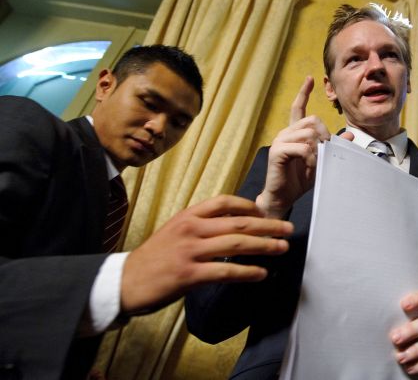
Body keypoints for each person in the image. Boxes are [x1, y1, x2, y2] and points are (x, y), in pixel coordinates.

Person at [185, 4, 418, 379]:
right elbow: (208, 320)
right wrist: (271, 208)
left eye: (390, 55)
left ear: (408, 80)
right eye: (354, 59)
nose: (375, 67)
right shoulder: (281, 167)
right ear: (330, 89)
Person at [0, 45, 294, 379]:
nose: (159, 127)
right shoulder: (24, 123)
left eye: (179, 122)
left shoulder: (109, 193)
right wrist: (121, 277)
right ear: (105, 85)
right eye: (149, 103)